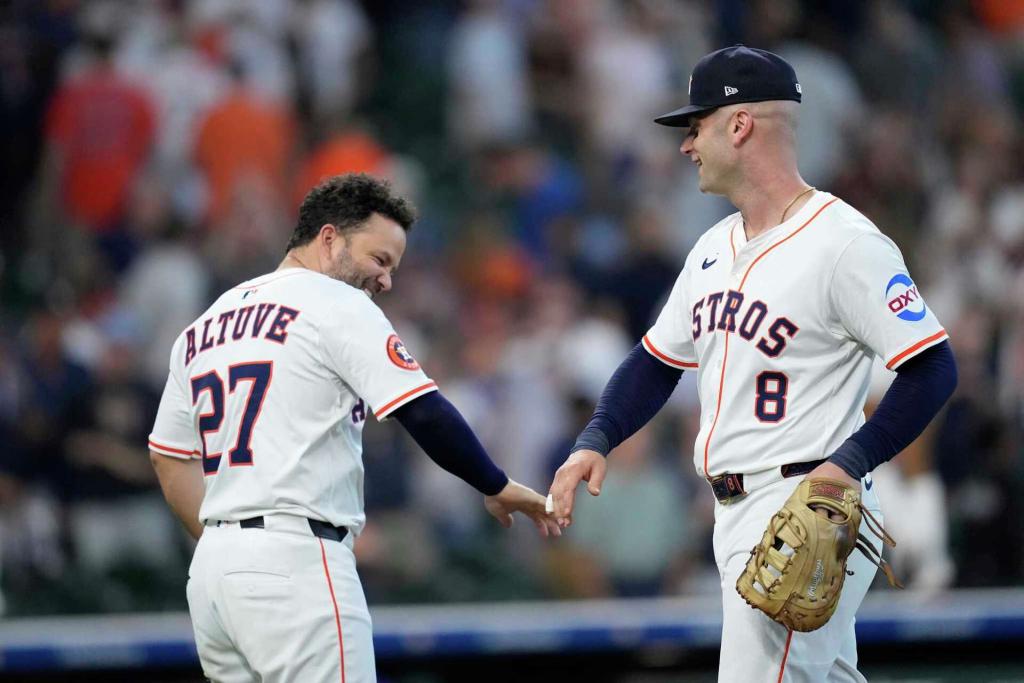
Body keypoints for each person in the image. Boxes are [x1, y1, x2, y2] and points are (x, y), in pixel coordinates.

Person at [548, 46, 958, 682]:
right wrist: (596, 438)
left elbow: (934, 367)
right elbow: (656, 362)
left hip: (803, 506)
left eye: (697, 126)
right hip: (735, 511)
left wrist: (847, 466)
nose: (686, 146)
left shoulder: (845, 243)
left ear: (739, 125)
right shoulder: (713, 246)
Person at [149, 173, 558, 683]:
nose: (386, 280)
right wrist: (496, 485)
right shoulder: (335, 302)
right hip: (298, 559)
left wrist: (230, 544)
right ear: (328, 238)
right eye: (379, 259)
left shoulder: (202, 326)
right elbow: (424, 411)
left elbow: (168, 458)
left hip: (213, 573)